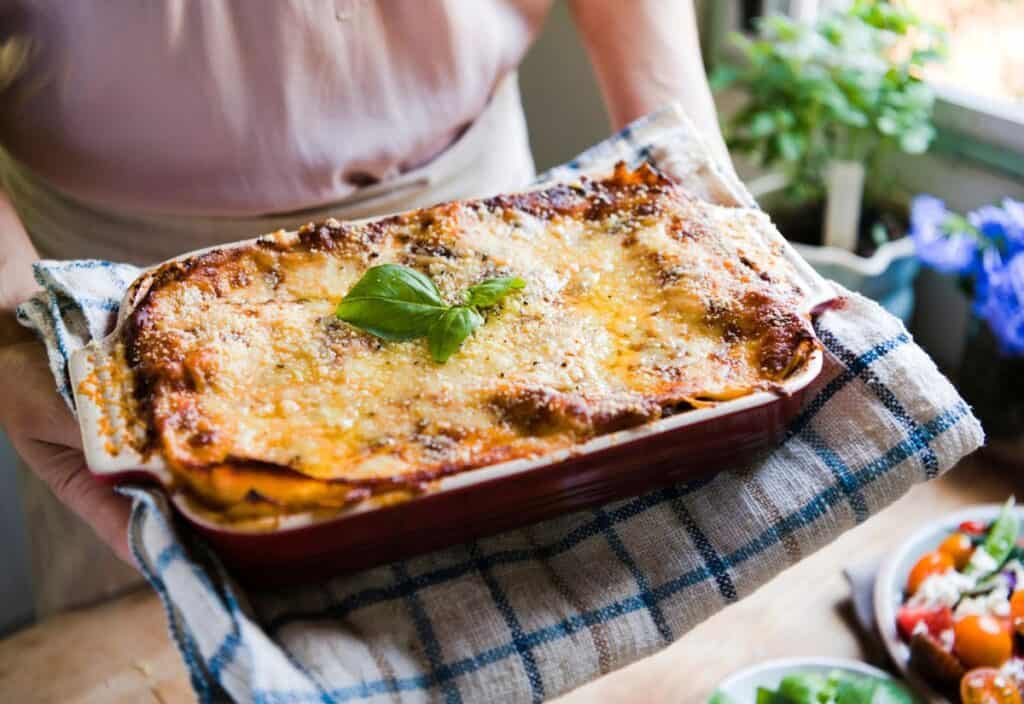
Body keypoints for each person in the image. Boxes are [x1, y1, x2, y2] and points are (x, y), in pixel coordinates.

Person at [0, 1, 729, 616]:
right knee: (133, 655)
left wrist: (679, 164)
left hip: (490, 233)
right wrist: (10, 325)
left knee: (534, 617)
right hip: (100, 286)